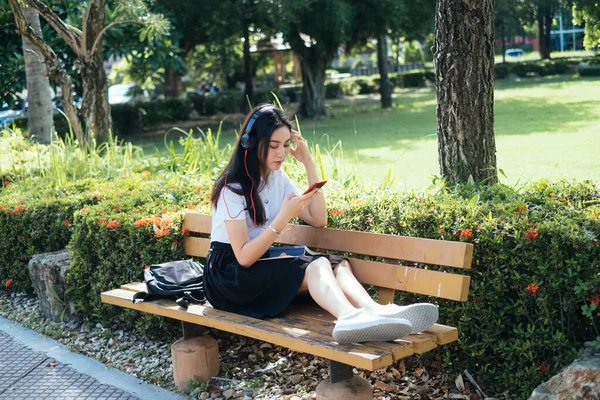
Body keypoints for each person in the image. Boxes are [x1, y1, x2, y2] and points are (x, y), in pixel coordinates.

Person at [205, 104, 438, 343]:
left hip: (257, 264)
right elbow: (243, 257)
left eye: (286, 145)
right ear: (251, 143)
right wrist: (282, 218)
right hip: (228, 276)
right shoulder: (232, 189)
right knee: (315, 265)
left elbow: (318, 219)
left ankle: (375, 310)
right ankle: (348, 317)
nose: (282, 153)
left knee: (337, 263)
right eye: (274, 145)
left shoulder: (277, 178)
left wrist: (308, 163)